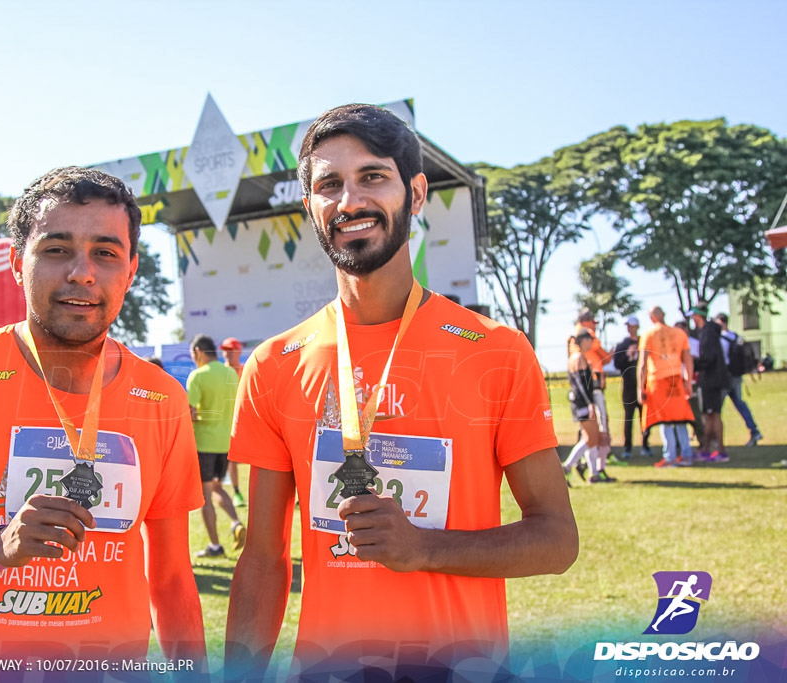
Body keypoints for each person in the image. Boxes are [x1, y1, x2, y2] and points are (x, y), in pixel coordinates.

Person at [225, 104, 578, 679]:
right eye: (328, 185)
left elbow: (556, 541)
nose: (349, 202)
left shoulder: (495, 350)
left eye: (372, 177)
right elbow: (263, 561)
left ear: (415, 194)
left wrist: (425, 549)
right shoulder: (272, 364)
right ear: (310, 207)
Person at [0, 166, 206, 667]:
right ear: (16, 263)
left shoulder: (161, 397)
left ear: (131, 270)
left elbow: (173, 578)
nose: (82, 272)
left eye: (105, 253)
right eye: (56, 250)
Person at [186, 334, 245, 557]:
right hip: (226, 443)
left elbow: (190, 412)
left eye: (193, 355)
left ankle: (215, 546)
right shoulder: (231, 373)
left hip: (204, 443)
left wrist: (199, 418)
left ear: (199, 351)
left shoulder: (198, 376)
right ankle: (235, 522)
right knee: (218, 488)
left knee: (205, 495)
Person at [638, 307, 695, 468]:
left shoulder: (648, 335)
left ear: (652, 318)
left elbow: (642, 364)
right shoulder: (679, 334)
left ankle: (670, 457)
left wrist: (640, 388)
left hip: (658, 381)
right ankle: (686, 455)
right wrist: (688, 381)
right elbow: (688, 360)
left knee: (665, 420)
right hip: (676, 380)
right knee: (680, 419)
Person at [562, 329, 613, 484]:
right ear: (583, 341)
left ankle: (593, 473)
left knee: (590, 438)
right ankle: (568, 466)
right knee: (591, 437)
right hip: (582, 403)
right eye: (590, 340)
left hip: (581, 402)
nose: (592, 343)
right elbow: (582, 384)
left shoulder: (576, 357)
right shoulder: (578, 358)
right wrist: (590, 403)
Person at [690, 304, 731, 462]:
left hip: (711, 380)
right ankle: (711, 449)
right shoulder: (708, 332)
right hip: (712, 379)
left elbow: (708, 357)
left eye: (693, 316)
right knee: (711, 415)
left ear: (698, 316)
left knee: (712, 415)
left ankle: (716, 450)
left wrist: (694, 363)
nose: (692, 319)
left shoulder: (708, 333)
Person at [715, 313, 762, 446]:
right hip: (737, 376)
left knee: (717, 408)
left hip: (726, 376)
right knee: (740, 404)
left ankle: (714, 438)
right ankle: (754, 431)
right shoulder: (736, 337)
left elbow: (722, 360)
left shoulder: (722, 339)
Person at [572, 309, 612, 463]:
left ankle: (589, 467)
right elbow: (582, 382)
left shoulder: (576, 348)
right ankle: (592, 468)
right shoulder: (581, 348)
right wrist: (590, 403)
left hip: (586, 395)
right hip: (589, 394)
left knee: (591, 435)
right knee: (597, 433)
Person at [612, 316, 651, 457]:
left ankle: (646, 445)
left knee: (645, 417)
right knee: (628, 418)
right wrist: (628, 354)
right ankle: (627, 447)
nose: (630, 328)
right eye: (628, 326)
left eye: (633, 325)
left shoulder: (644, 341)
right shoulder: (622, 345)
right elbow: (617, 364)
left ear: (637, 327)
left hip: (644, 386)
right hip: (629, 387)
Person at [219, 336, 246, 507]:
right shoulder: (221, 372)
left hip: (249, 421)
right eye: (225, 350)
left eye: (230, 350)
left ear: (238, 351)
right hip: (228, 423)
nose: (227, 354)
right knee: (232, 459)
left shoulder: (245, 370)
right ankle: (237, 493)